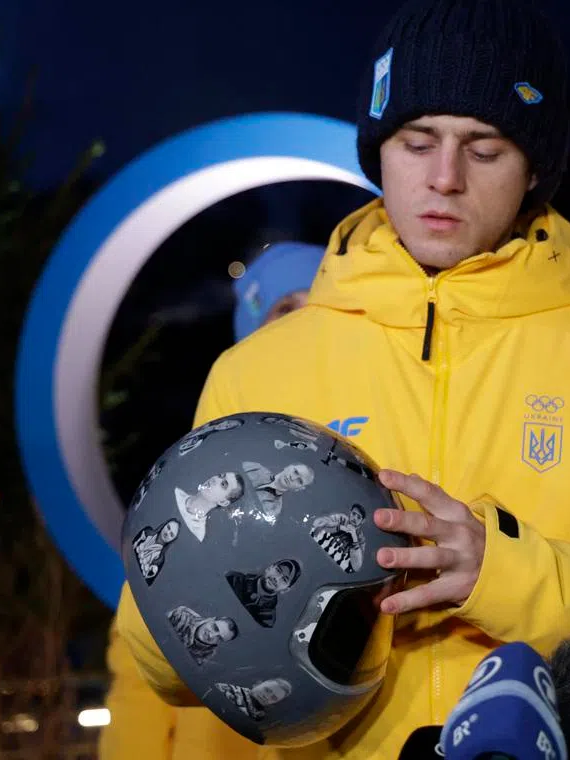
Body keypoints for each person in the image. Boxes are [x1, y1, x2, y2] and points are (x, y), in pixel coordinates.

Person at [115, 0, 570, 756]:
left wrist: (503, 573)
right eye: (416, 140)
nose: (444, 178)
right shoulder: (259, 369)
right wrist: (223, 590)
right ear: (379, 150)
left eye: (485, 148)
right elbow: (154, 647)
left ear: (535, 165)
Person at [98, 241, 324, 760]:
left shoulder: (352, 469)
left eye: (318, 308)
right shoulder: (205, 475)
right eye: (285, 309)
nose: (302, 326)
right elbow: (140, 672)